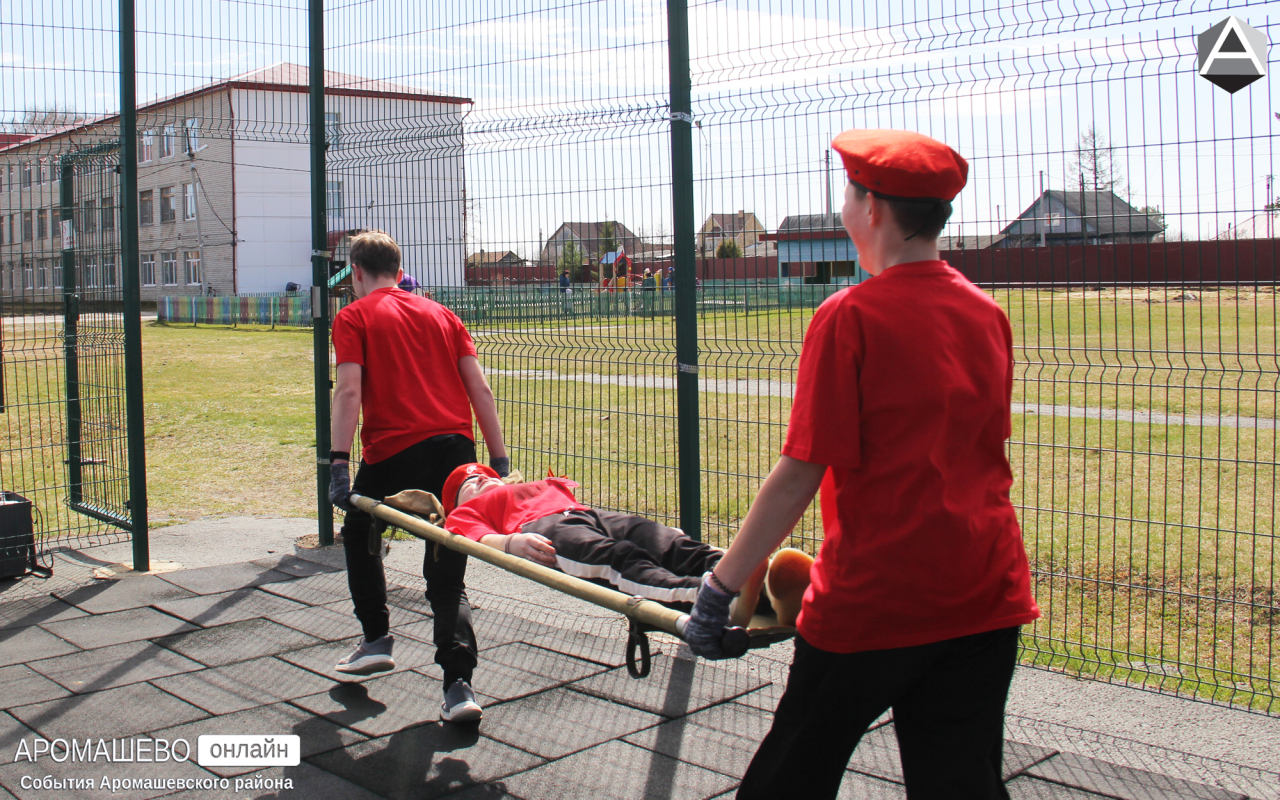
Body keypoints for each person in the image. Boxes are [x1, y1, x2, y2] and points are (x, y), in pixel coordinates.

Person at [683, 129, 1040, 799]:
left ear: (872, 208)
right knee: (959, 781)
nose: (846, 210)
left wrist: (721, 588)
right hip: (986, 590)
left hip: (880, 598)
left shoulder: (850, 316)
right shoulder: (986, 314)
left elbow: (799, 473)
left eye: (849, 195)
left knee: (790, 775)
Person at [327, 229, 510, 724]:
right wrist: (498, 460)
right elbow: (481, 389)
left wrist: (338, 463)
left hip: (393, 452)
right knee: (446, 575)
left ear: (357, 273)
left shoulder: (354, 315)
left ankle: (376, 636)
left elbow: (347, 392)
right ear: (399, 267)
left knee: (361, 528)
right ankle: (459, 688)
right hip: (455, 452)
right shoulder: (444, 314)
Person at [440, 464, 774, 622]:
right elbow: (478, 538)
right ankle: (707, 598)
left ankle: (761, 582)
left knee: (665, 540)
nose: (479, 478)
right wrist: (511, 543)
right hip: (545, 530)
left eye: (483, 474)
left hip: (590, 514)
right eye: (468, 483)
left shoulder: (527, 485)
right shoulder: (467, 511)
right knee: (618, 559)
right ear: (458, 502)